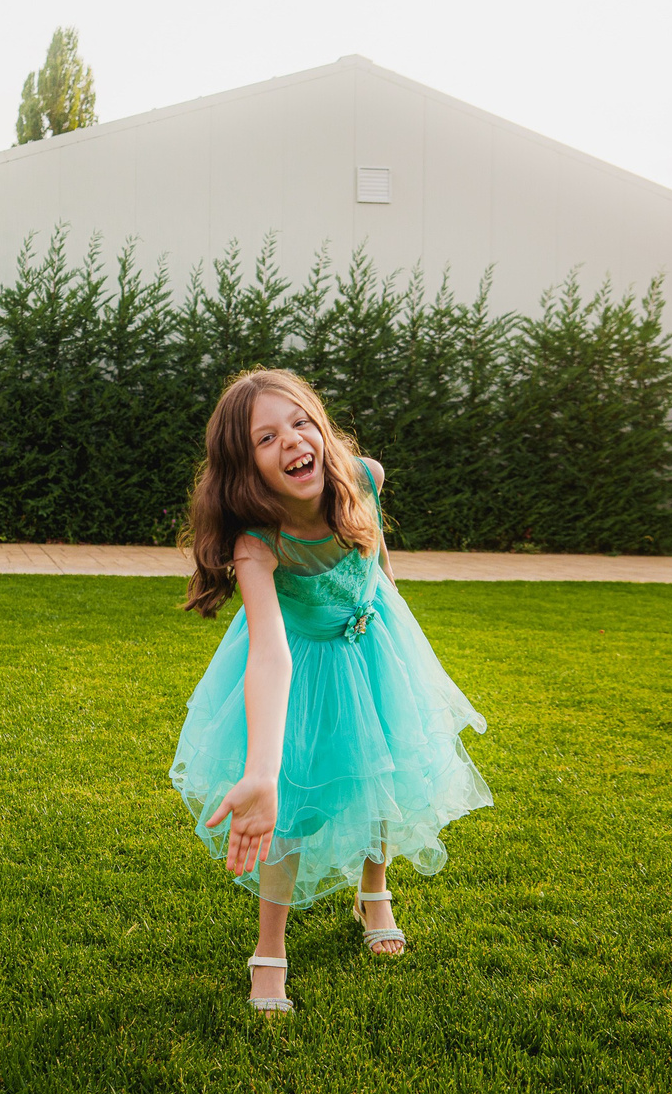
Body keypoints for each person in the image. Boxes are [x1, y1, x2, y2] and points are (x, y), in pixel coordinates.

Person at [169, 369, 490, 1012]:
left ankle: (375, 892)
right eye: (266, 437)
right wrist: (262, 770)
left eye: (300, 422)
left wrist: (387, 612)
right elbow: (270, 653)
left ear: (320, 427)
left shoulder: (365, 478)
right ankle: (270, 949)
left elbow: (379, 557)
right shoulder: (258, 543)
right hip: (307, 667)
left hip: (376, 646)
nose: (291, 441)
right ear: (244, 467)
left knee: (384, 770)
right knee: (291, 803)